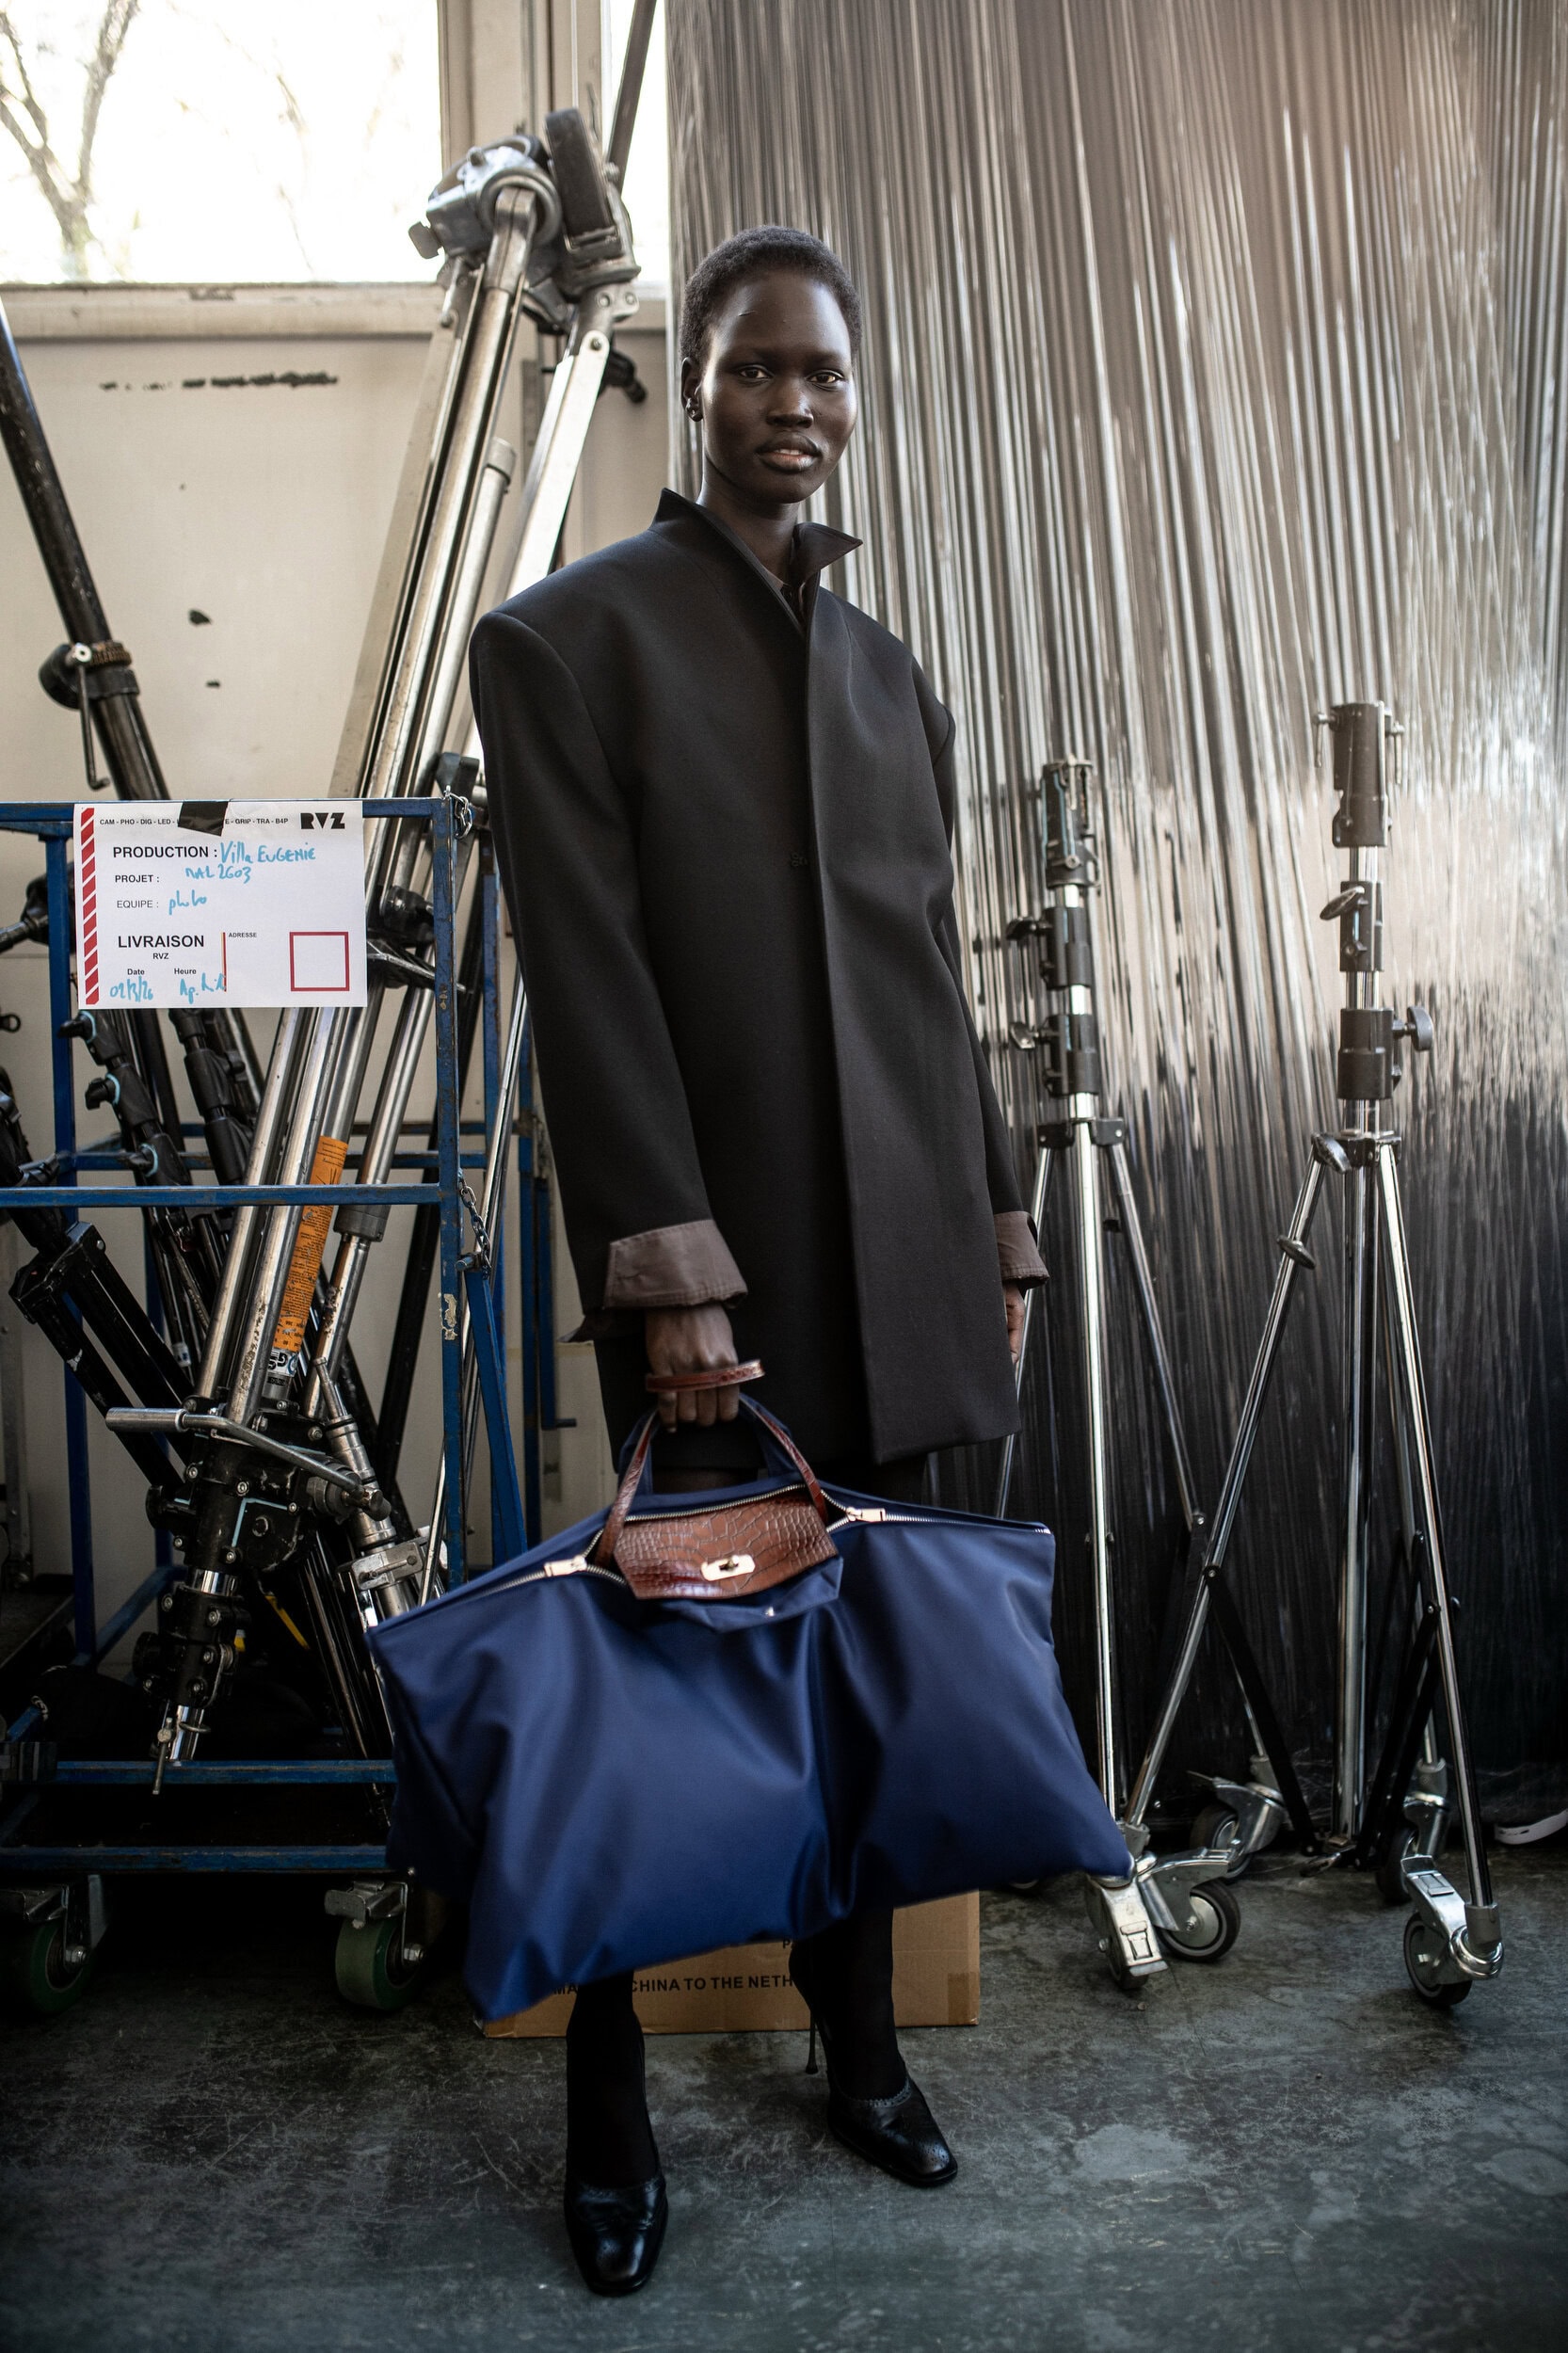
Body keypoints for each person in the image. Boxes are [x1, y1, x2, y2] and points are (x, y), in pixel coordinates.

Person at [470, 225, 1047, 2298]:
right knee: (671, 1697)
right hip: (712, 1285)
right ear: (689, 382)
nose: (791, 403)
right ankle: (608, 2098)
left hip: (896, 1264)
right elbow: (587, 978)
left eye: (823, 372)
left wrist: (994, 1226)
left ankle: (861, 2040)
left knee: (875, 1681)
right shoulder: (567, 642)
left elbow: (924, 977)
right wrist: (668, 1267)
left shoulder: (897, 681)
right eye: (752, 368)